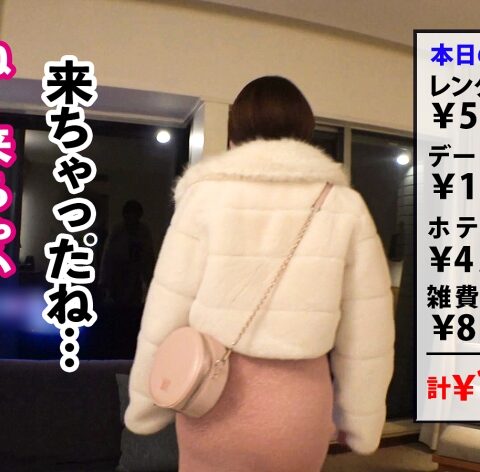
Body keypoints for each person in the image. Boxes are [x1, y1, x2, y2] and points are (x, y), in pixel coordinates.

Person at [124, 76, 395, 471]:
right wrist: (361, 420)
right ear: (305, 131)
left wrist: (147, 403)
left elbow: (166, 308)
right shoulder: (344, 206)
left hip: (210, 393)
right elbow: (367, 330)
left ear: (234, 134)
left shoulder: (205, 198)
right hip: (299, 405)